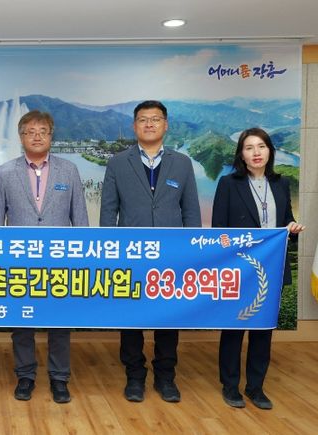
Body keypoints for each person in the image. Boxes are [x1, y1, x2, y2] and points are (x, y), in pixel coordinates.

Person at [99, 100, 201, 403]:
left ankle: (166, 377)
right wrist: (110, 251)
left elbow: (191, 212)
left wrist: (190, 252)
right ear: (134, 126)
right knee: (130, 318)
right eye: (143, 119)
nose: (149, 124)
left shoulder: (182, 163)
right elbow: (108, 212)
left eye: (155, 119)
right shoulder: (118, 163)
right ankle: (134, 377)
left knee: (168, 318)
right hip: (130, 255)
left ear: (165, 125)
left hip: (171, 255)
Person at [0, 110, 88, 404]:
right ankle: (25, 375)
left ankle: (59, 378)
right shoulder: (5, 172)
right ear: (21, 137)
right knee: (22, 321)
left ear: (51, 136)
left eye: (43, 131)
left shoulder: (69, 171)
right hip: (19, 261)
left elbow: (80, 221)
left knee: (60, 322)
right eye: (30, 131)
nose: (36, 136)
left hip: (60, 260)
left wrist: (81, 259)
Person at [212, 127, 304, 410]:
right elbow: (219, 230)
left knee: (263, 330)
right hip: (239, 270)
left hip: (272, 268)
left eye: (261, 147)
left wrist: (292, 228)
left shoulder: (280, 183)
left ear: (269, 152)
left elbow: (286, 222)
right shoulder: (229, 184)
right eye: (249, 147)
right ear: (241, 154)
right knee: (234, 329)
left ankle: (256, 388)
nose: (256, 153)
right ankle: (230, 386)